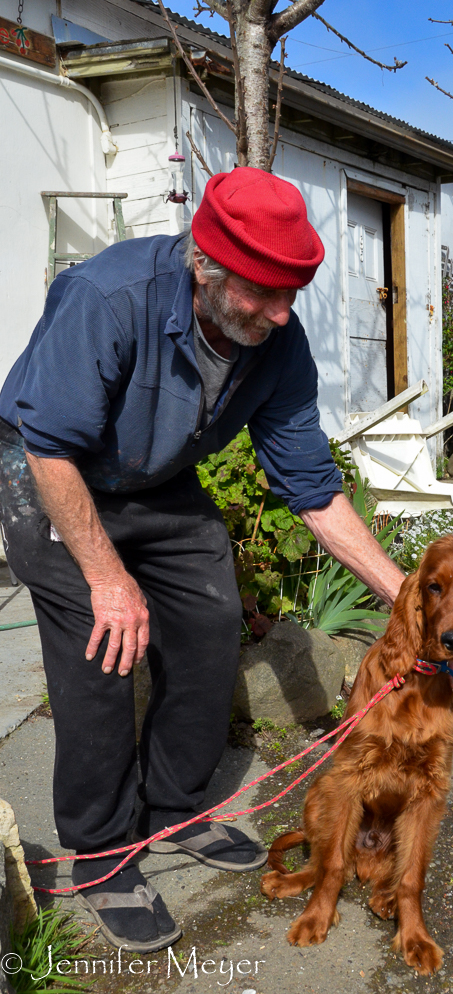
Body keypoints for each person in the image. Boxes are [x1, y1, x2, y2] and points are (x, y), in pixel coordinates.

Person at [0, 167, 404, 953]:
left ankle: (175, 806)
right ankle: (104, 850)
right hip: (50, 474)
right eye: (265, 294)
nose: (282, 314)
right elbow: (50, 448)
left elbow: (313, 490)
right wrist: (109, 578)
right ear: (206, 268)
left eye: (294, 294)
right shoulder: (110, 297)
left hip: (155, 477)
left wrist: (404, 593)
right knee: (104, 645)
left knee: (214, 619)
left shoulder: (276, 340)